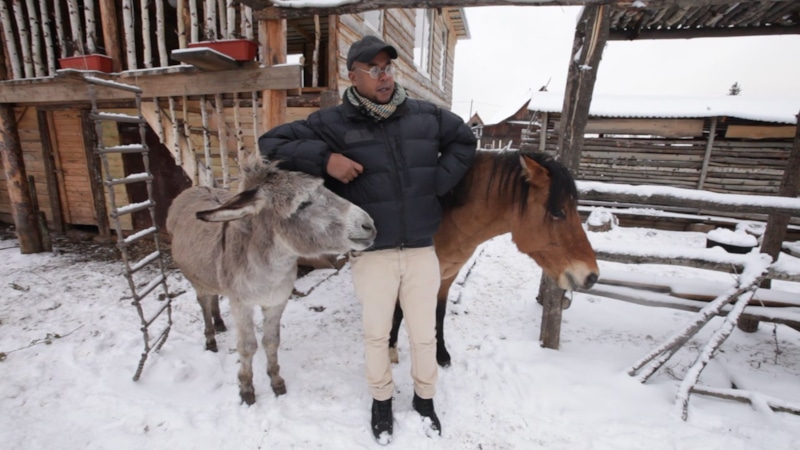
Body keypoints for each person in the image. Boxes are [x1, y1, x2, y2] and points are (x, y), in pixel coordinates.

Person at [258, 35, 476, 444]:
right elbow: (270, 143)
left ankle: (425, 400)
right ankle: (381, 401)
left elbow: (465, 140)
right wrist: (327, 160)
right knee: (377, 334)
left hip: (420, 249)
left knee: (423, 333)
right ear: (352, 74)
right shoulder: (332, 124)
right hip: (372, 253)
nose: (384, 76)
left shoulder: (425, 116)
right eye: (373, 69)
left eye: (388, 67)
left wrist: (437, 185)